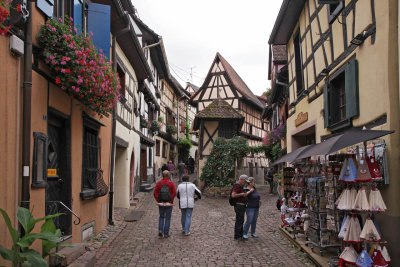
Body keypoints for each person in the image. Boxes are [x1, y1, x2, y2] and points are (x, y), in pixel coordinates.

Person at [153, 170, 176, 238]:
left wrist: (159, 200)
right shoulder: (171, 183)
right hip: (169, 203)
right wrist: (170, 200)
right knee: (168, 218)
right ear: (168, 176)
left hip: (161, 203)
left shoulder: (159, 183)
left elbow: (155, 193)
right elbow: (174, 192)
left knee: (161, 217)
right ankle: (166, 233)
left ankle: (160, 230)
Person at [231, 174, 254, 241]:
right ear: (241, 180)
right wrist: (242, 194)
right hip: (239, 205)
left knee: (241, 220)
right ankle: (237, 236)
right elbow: (233, 195)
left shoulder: (240, 185)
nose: (245, 183)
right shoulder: (237, 185)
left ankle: (240, 235)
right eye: (244, 181)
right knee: (239, 221)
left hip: (241, 205)